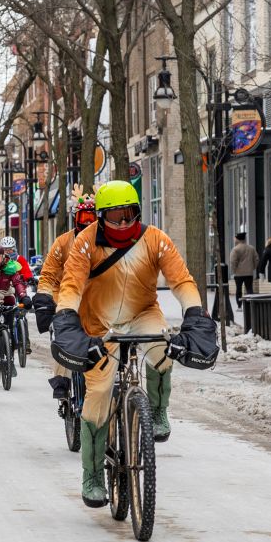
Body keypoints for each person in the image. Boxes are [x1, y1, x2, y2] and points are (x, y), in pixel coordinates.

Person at [51, 180, 217, 507]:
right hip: (99, 323)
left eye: (129, 215)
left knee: (162, 352)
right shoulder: (85, 243)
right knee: (97, 395)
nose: (123, 223)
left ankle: (156, 412)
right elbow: (70, 286)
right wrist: (67, 318)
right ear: (101, 216)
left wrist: (195, 312)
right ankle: (93, 475)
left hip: (143, 313)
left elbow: (181, 280)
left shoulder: (156, 239)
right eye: (115, 217)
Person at [33, 193, 97, 400]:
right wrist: (43, 299)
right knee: (64, 336)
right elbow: (48, 274)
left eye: (92, 218)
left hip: (96, 300)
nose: (87, 223)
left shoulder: (105, 244)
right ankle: (62, 381)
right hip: (65, 298)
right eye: (83, 219)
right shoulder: (63, 243)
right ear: (75, 219)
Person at [228, 232, 259, 308]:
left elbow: (233, 261)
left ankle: (239, 305)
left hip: (238, 274)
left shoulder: (235, 249)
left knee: (238, 290)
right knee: (249, 289)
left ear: (237, 239)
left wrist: (234, 270)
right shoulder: (251, 248)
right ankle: (251, 305)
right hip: (249, 273)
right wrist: (253, 267)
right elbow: (256, 259)